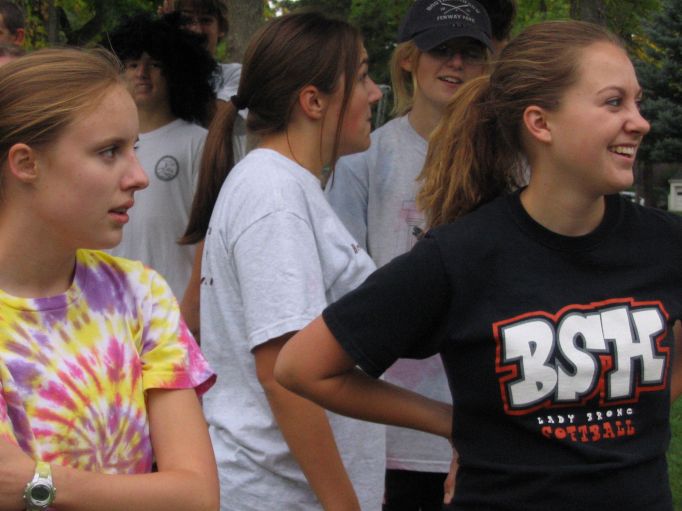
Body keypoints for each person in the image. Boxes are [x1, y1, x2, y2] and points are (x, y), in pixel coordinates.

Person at [275, 20, 679, 511]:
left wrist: (639, 419)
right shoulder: (462, 254)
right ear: (540, 123)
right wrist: (454, 423)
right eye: (614, 103)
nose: (640, 122)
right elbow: (303, 368)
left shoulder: (665, 244)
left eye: (637, 102)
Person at [0, 48, 218, 511]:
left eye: (134, 149)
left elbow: (198, 496)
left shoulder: (140, 295)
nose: (139, 177)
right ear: (26, 163)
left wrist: (39, 483)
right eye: (109, 152)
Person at [185, 10, 385, 510]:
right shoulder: (274, 196)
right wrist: (344, 505)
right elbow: (282, 377)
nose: (375, 93)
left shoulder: (283, 186)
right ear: (313, 101)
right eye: (362, 77)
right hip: (281, 494)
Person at [325, 1, 513, 508]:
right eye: (440, 49)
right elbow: (343, 286)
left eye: (471, 52)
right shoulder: (365, 157)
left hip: (494, 410)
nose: (456, 63)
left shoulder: (515, 159)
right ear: (409, 59)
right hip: (394, 422)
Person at [107, 13, 217, 301]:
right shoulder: (101, 144)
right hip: (109, 305)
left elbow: (212, 232)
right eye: (133, 64)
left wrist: (193, 304)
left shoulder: (198, 142)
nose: (142, 73)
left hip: (173, 305)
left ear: (176, 73)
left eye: (155, 65)